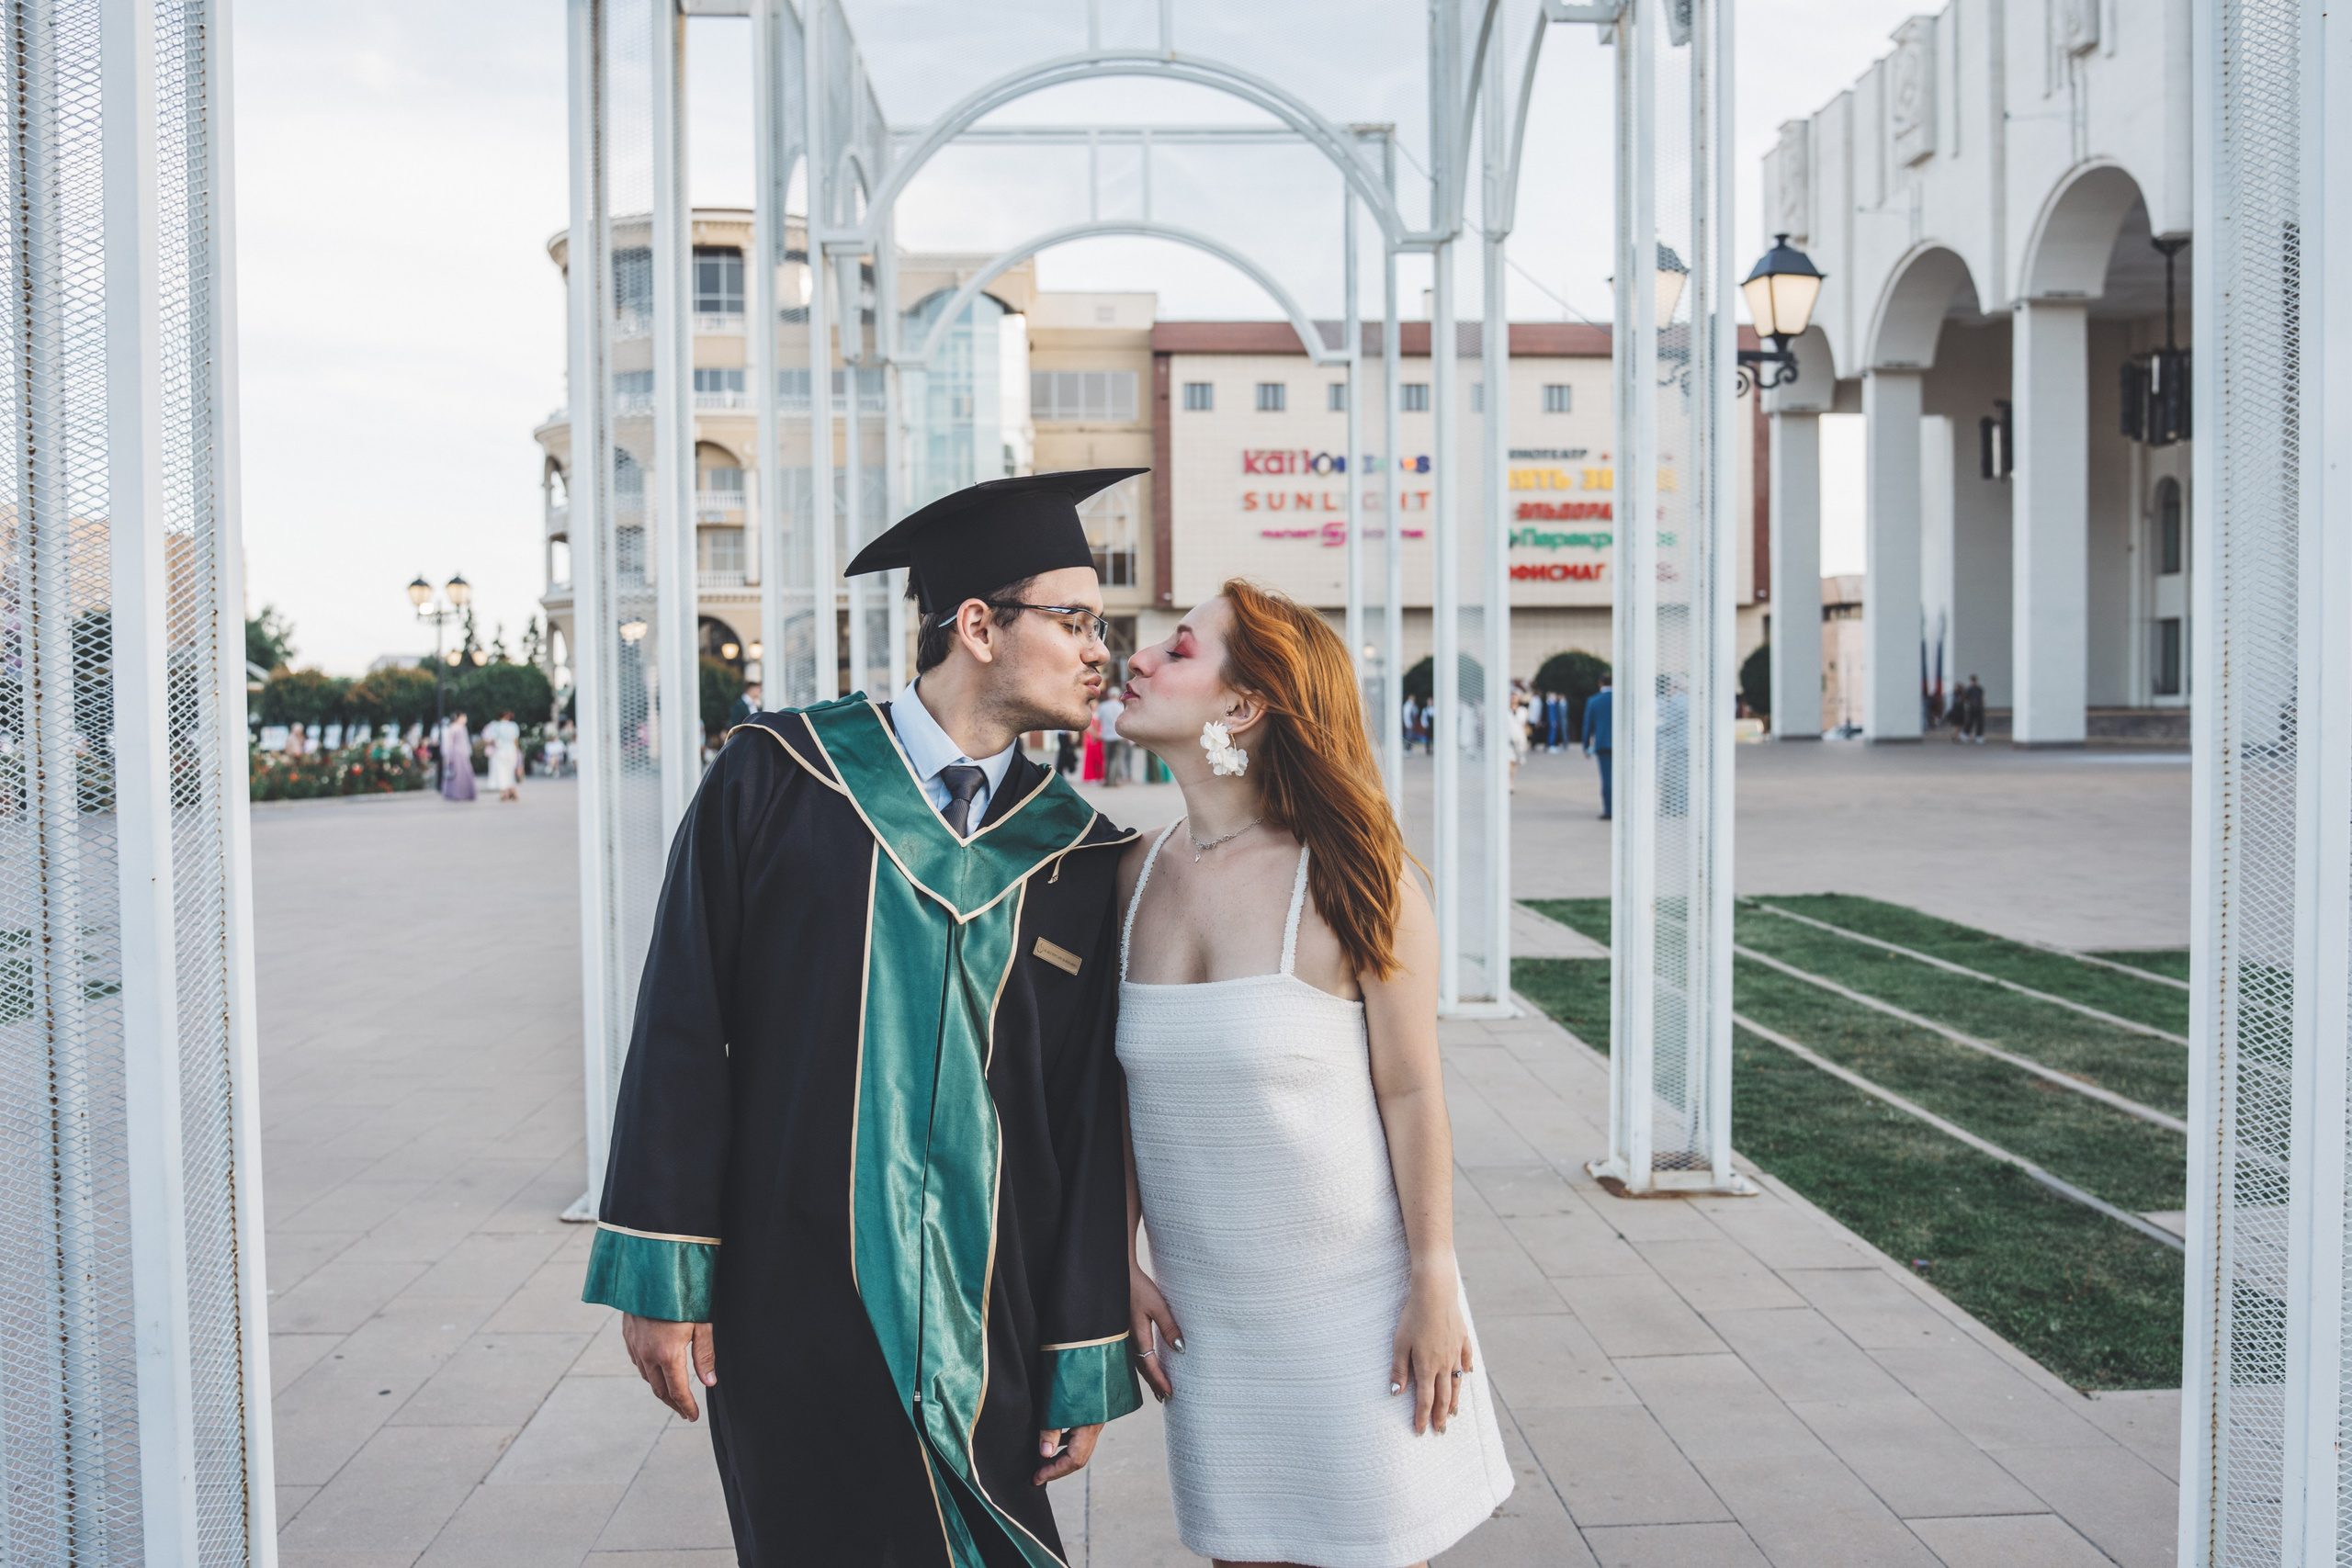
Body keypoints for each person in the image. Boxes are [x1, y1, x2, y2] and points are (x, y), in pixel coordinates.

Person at [582, 468, 1148, 1568]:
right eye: (1075, 621)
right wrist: (664, 1272)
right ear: (977, 626)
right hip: (788, 1297)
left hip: (991, 1314)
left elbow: (1083, 1121)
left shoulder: (1079, 855)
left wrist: (1081, 1348)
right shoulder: (776, 780)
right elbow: (683, 1027)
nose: (1100, 653)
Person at [1112, 578, 1513, 1567]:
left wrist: (1435, 1279)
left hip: (1357, 1316)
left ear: (1244, 705)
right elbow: (1121, 1097)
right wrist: (1114, 1256)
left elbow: (1412, 1093)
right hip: (1212, 1323)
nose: (1138, 658)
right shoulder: (1128, 876)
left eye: (1179, 649)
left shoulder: (1356, 879)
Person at [1582, 677, 1614, 820]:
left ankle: (1609, 809)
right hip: (1620, 745)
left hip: (1602, 742)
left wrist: (1586, 745)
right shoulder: (1621, 699)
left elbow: (1588, 725)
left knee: (1607, 778)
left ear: (1600, 684)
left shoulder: (1594, 700)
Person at [485, 709, 524, 802]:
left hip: (500, 751)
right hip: (512, 751)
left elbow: (491, 740)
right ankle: (513, 790)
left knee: (501, 772)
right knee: (511, 771)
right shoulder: (513, 726)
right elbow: (516, 741)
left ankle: (504, 793)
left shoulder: (495, 726)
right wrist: (517, 752)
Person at [439, 712, 475, 803]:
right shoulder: (453, 728)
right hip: (456, 753)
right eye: (463, 717)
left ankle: (464, 793)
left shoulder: (462, 728)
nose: (465, 719)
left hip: (461, 753)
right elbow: (450, 743)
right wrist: (449, 755)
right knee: (457, 773)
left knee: (463, 772)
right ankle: (458, 793)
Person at [1097, 683, 1128, 787]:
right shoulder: (1121, 707)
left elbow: (1098, 721)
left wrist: (1096, 733)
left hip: (1106, 736)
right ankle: (1115, 779)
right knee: (1117, 758)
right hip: (1118, 736)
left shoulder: (1103, 706)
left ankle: (1107, 780)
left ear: (1109, 695)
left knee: (1108, 758)